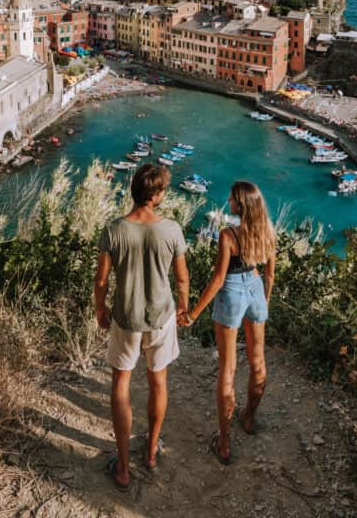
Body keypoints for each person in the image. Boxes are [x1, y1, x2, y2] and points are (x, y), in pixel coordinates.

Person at [94, 163, 189, 492]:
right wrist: (184, 307)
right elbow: (181, 278)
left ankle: (122, 466)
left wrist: (100, 310)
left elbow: (102, 280)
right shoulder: (172, 230)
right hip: (160, 317)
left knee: (121, 383)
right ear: (158, 195)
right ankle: (150, 453)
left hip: (126, 317)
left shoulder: (114, 229)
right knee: (157, 382)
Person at [182, 181, 276, 465]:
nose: (228, 201)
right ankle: (248, 418)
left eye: (233, 199)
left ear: (241, 204)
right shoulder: (268, 230)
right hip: (257, 289)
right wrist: (264, 303)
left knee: (228, 367)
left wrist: (193, 313)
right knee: (258, 361)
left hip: (232, 293)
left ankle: (223, 444)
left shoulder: (228, 235)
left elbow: (219, 279)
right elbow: (270, 274)